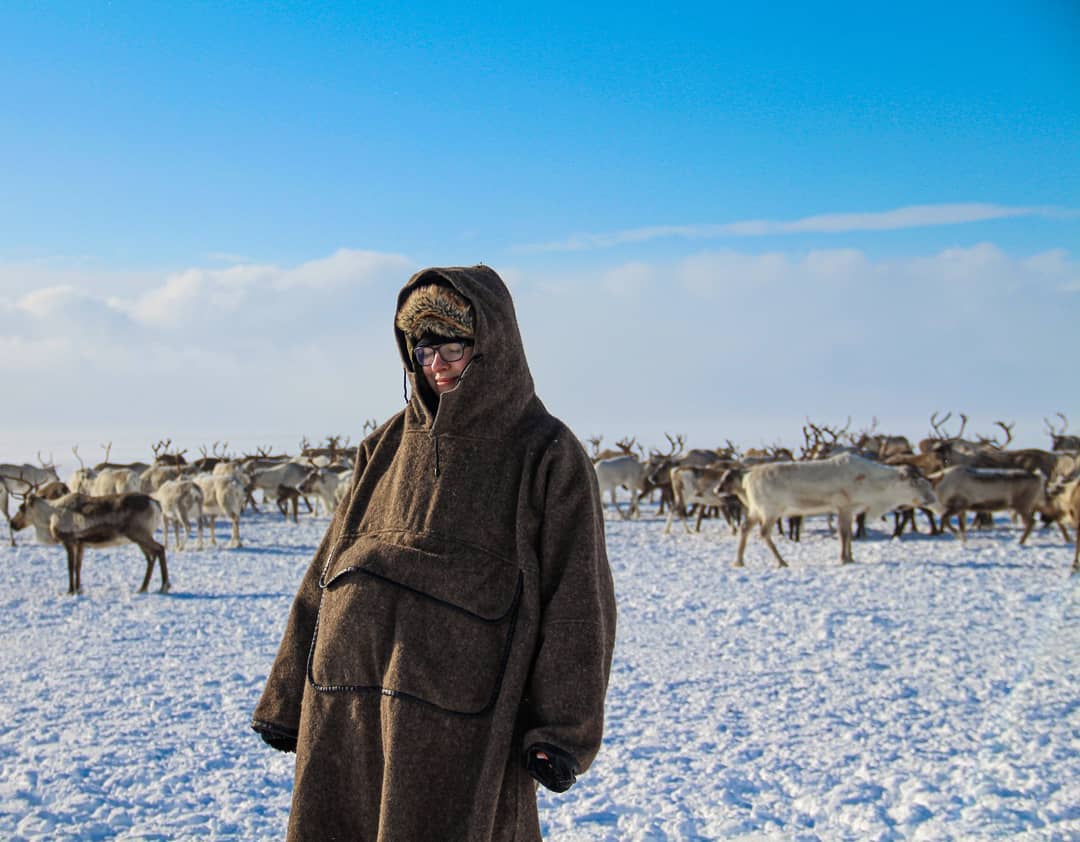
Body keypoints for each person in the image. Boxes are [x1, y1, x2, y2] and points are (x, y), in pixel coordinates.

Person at [252, 265, 617, 841]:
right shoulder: (385, 446)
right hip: (348, 705)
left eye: (451, 343)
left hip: (464, 723)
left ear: (492, 343)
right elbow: (328, 571)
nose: (436, 363)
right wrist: (286, 695)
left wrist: (563, 731)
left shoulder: (545, 453)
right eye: (420, 349)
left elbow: (578, 598)